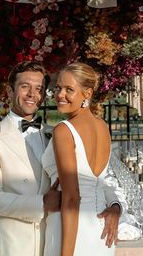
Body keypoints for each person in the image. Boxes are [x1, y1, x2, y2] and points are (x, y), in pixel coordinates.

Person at [0, 61, 120, 256]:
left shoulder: (58, 133)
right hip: (19, 247)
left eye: (39, 89)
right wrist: (42, 203)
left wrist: (115, 207)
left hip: (62, 236)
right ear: (10, 91)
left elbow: (94, 179)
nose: (32, 94)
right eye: (24, 86)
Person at [42, 62, 119, 256]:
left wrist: (66, 254)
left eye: (69, 89)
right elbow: (103, 182)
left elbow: (71, 197)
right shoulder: (103, 127)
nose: (60, 94)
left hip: (69, 231)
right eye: (58, 88)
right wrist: (116, 207)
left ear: (87, 94)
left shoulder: (64, 130)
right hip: (99, 231)